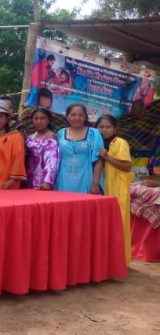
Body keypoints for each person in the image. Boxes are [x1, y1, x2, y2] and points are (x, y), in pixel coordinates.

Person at [97, 114, 133, 264]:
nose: (104, 130)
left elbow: (127, 166)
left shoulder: (120, 142)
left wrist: (107, 157)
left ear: (115, 129)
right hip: (102, 188)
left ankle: (120, 260)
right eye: (101, 127)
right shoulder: (97, 143)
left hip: (118, 188)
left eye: (108, 127)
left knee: (118, 223)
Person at [54, 103, 103, 194]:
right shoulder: (60, 133)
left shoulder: (94, 134)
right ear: (67, 117)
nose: (77, 118)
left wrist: (95, 183)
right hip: (62, 181)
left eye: (80, 115)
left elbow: (98, 160)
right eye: (73, 115)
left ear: (85, 117)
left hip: (86, 181)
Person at [0, 98, 27, 190]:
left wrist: (12, 180)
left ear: (7, 118)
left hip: (6, 182)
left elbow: (18, 159)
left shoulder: (15, 136)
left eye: (0, 116)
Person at [25, 107, 59, 190]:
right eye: (36, 118)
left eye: (42, 118)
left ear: (48, 120)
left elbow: (52, 162)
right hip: (28, 180)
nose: (39, 121)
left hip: (43, 182)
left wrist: (47, 181)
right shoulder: (29, 138)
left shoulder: (51, 138)